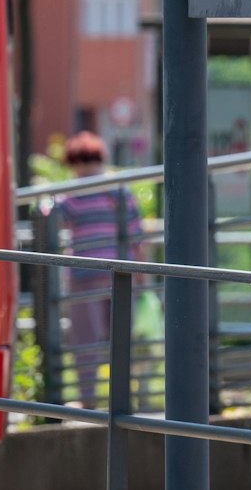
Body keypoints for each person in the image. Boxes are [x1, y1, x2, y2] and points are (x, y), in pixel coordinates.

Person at [53, 132, 143, 405]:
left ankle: (88, 400)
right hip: (120, 273)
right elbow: (136, 235)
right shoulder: (120, 191)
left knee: (86, 342)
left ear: (75, 161)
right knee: (121, 338)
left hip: (85, 273)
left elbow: (52, 220)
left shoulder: (72, 194)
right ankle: (123, 398)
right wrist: (139, 273)